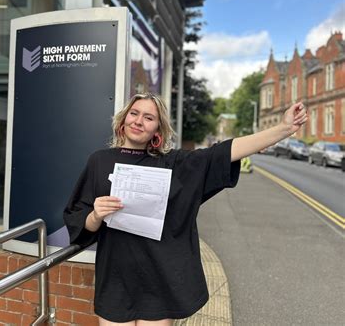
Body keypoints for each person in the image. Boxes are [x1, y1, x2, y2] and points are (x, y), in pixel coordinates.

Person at [63, 92, 308, 326]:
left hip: (157, 280)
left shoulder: (173, 164)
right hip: (115, 278)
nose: (138, 121)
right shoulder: (99, 161)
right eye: (134, 113)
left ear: (158, 129)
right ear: (123, 118)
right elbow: (79, 219)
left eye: (148, 118)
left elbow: (222, 153)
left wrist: (284, 129)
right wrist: (96, 214)